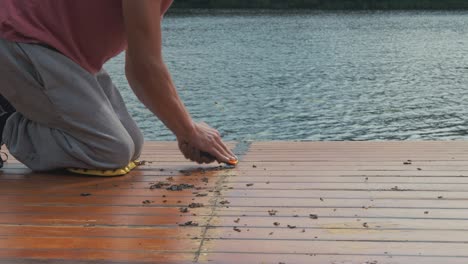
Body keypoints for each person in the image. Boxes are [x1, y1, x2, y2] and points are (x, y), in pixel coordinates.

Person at [0, 0, 237, 174]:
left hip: (66, 55)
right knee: (108, 149)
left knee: (133, 143)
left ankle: (17, 103)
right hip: (20, 40)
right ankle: (5, 121)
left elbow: (137, 65)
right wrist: (189, 131)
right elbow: (145, 69)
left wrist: (184, 130)